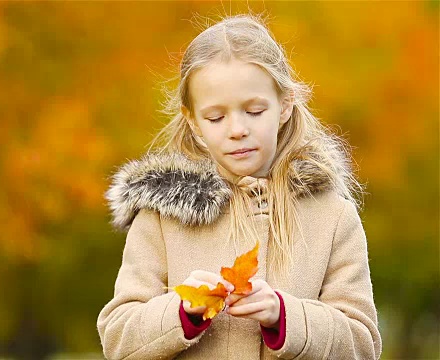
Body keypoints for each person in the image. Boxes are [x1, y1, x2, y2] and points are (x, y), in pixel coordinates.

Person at [96, 13, 382, 360]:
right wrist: (183, 312)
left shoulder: (332, 216)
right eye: (216, 117)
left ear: (285, 105)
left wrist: (284, 315)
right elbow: (118, 337)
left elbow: (362, 342)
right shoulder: (161, 217)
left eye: (255, 110)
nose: (236, 129)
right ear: (194, 121)